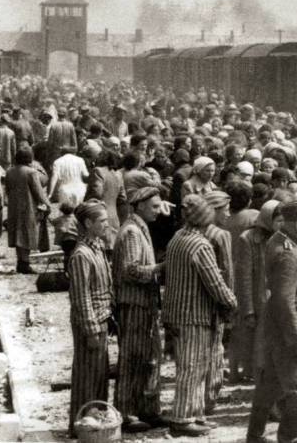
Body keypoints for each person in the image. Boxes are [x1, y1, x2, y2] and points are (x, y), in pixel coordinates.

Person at [163, 194, 237, 437]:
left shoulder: (177, 238)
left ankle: (194, 414)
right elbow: (214, 282)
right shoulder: (200, 245)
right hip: (194, 315)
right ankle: (183, 417)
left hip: (176, 311)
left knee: (190, 366)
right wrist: (231, 301)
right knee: (192, 368)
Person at [246, 200, 297, 443]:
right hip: (292, 326)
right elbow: (285, 301)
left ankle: (254, 436)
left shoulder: (279, 241)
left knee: (271, 385)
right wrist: (296, 338)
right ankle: (288, 439)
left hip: (278, 327)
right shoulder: (288, 253)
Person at [112, 187, 165, 432]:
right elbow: (130, 270)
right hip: (133, 304)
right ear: (140, 205)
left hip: (144, 304)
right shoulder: (132, 232)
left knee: (147, 358)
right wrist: (159, 269)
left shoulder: (139, 227)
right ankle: (125, 412)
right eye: (154, 206)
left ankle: (145, 408)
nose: (158, 210)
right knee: (131, 359)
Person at [67, 200, 113, 438]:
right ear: (88, 223)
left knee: (98, 376)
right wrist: (92, 329)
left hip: (101, 318)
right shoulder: (81, 255)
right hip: (90, 324)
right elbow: (81, 297)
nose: (107, 225)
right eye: (102, 221)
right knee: (87, 376)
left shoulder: (97, 247)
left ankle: (94, 423)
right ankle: (81, 425)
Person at [232, 199, 282, 381]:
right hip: (257, 298)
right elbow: (243, 276)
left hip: (277, 297)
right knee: (255, 341)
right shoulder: (249, 239)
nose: (281, 224)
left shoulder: (285, 239)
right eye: (278, 220)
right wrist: (248, 309)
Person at [202, 190, 235, 413]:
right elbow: (228, 271)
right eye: (225, 210)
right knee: (216, 348)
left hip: (200, 297)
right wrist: (230, 301)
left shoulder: (194, 232)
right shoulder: (220, 234)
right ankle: (210, 397)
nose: (228, 214)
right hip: (218, 296)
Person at [5, 147, 49, 274]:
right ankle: (25, 264)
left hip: (13, 207)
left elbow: (7, 189)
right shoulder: (31, 172)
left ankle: (20, 262)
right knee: (27, 233)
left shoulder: (9, 171)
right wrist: (47, 204)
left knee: (17, 233)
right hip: (28, 206)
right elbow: (38, 191)